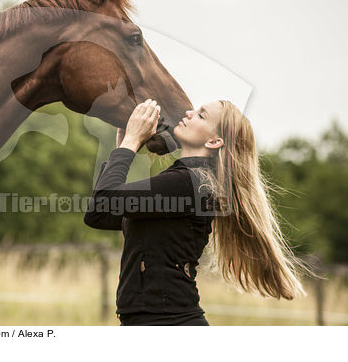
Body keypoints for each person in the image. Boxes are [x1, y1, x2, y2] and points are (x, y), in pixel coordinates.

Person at [84, 99, 308, 326]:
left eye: (201, 115)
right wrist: (121, 148)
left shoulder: (191, 182)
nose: (189, 113)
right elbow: (99, 215)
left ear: (214, 141)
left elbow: (105, 202)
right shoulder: (186, 181)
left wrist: (130, 143)